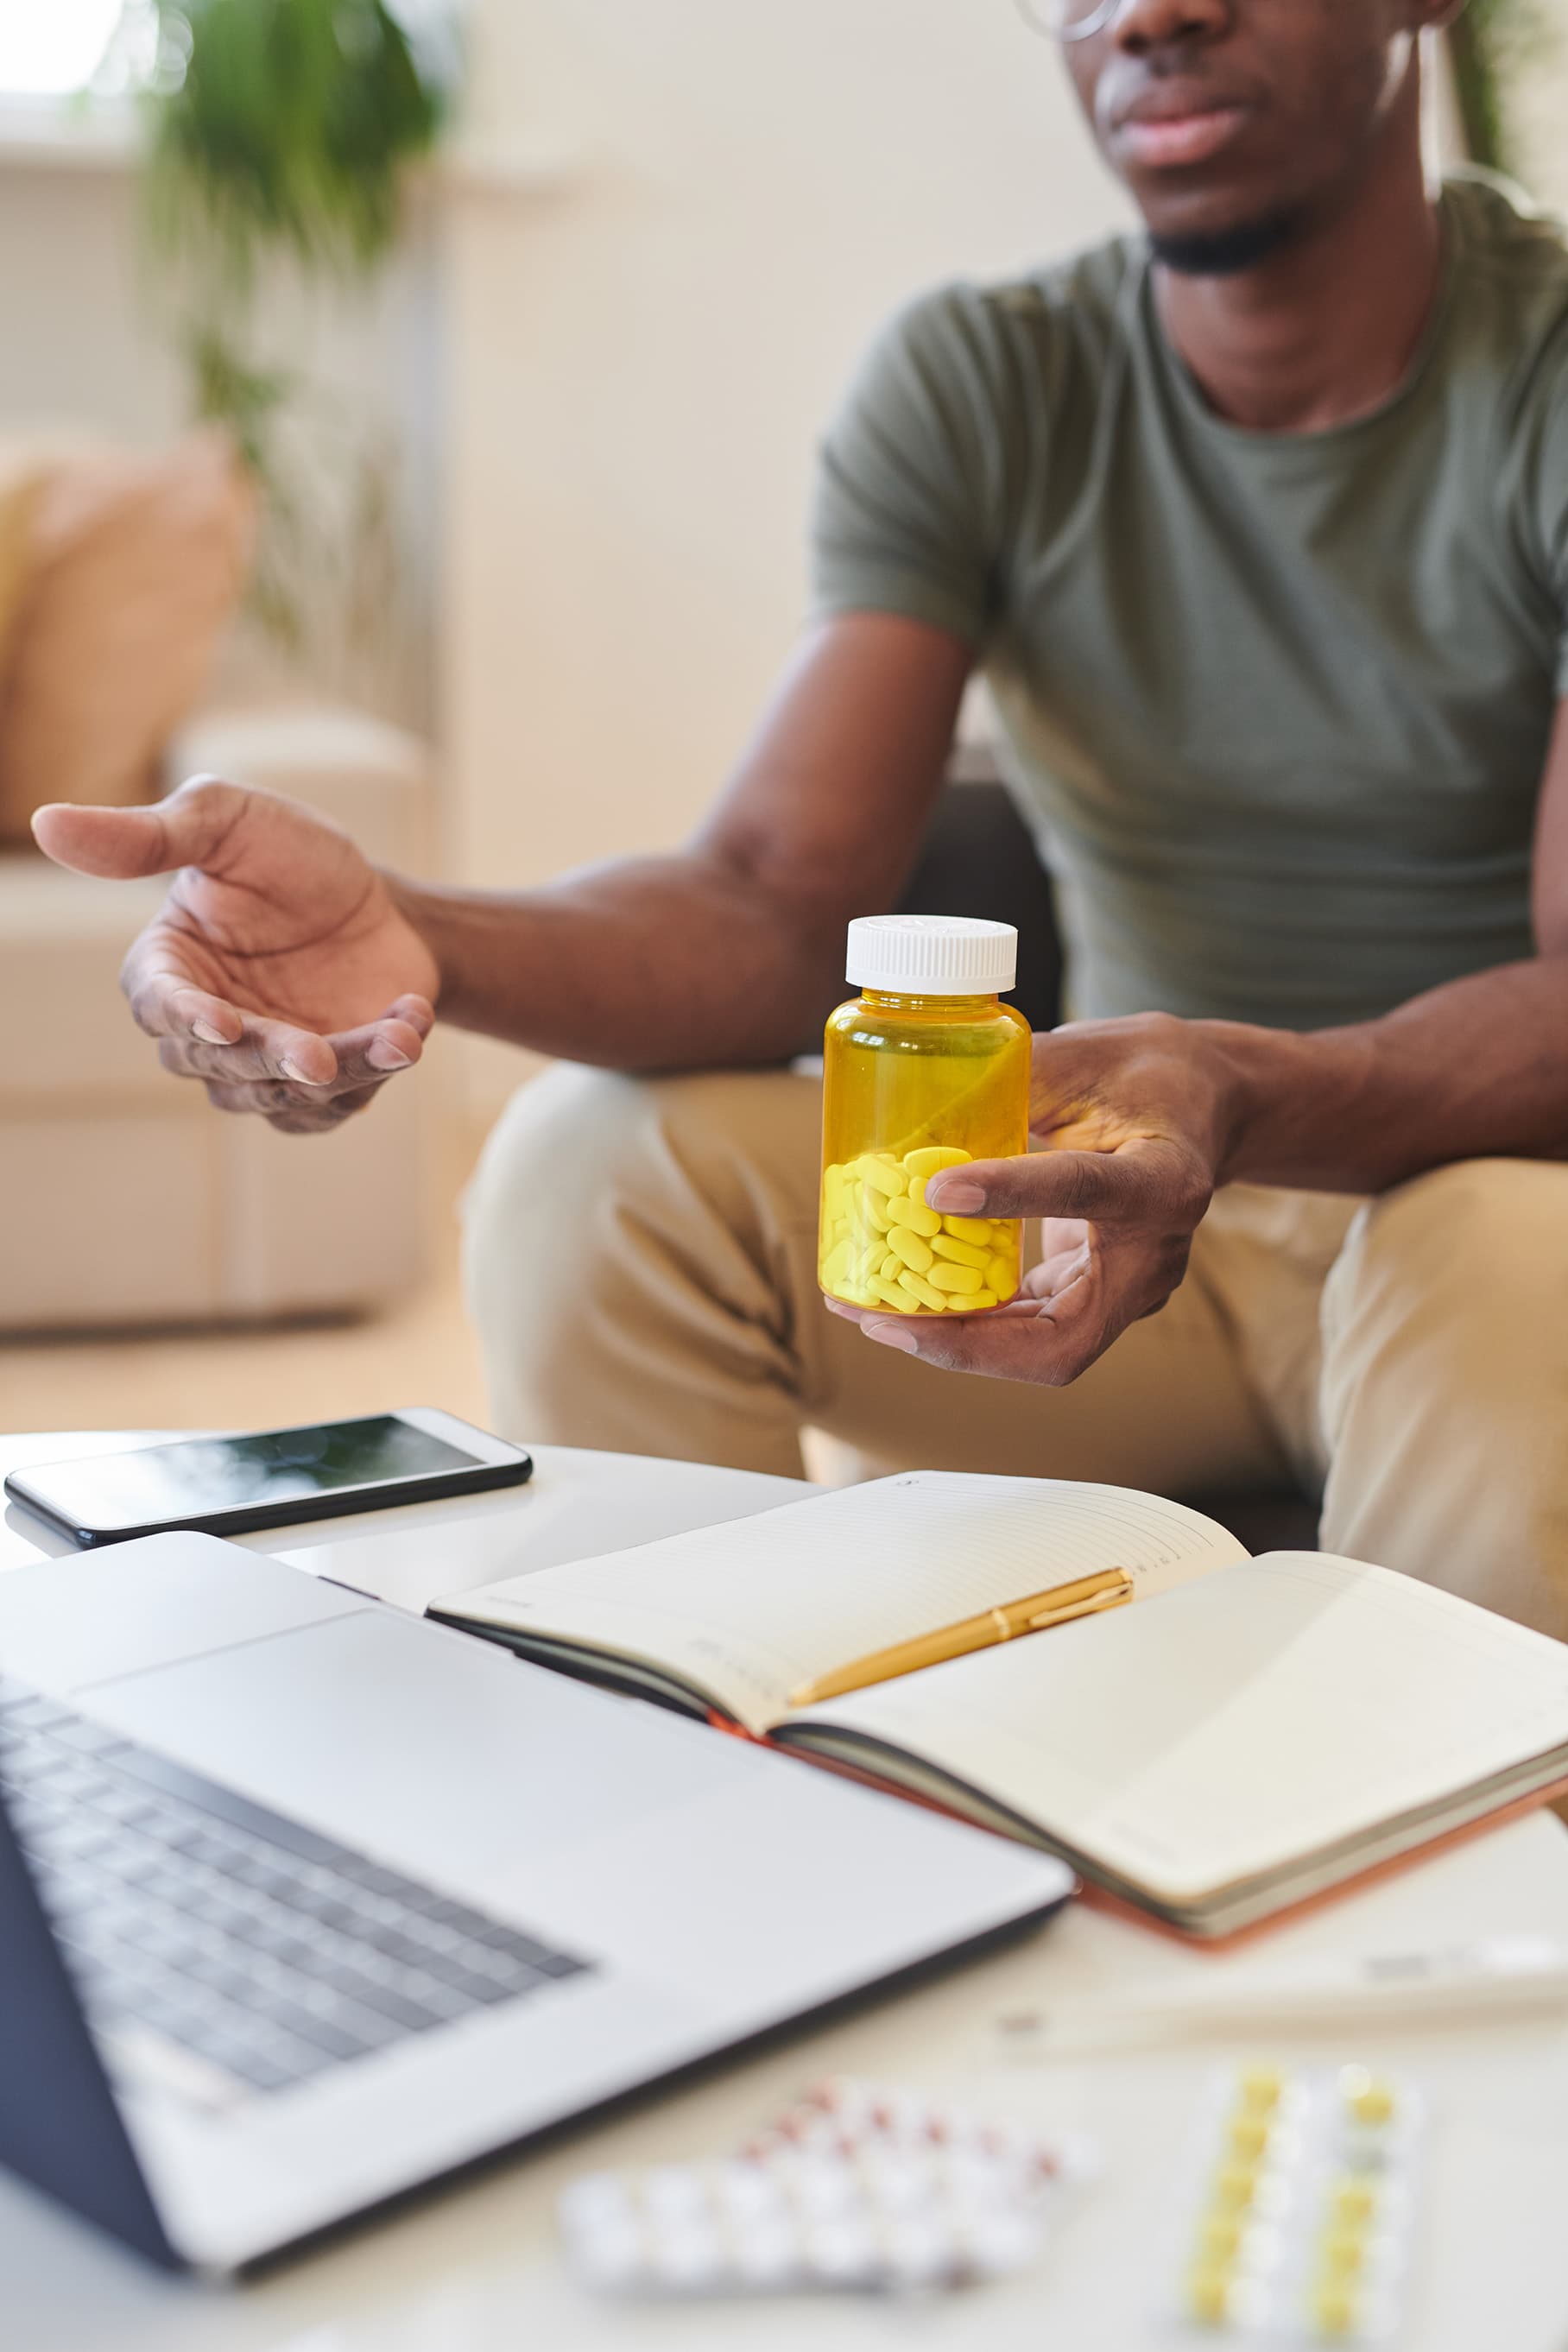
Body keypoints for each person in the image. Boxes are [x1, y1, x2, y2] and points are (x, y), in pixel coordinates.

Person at [34, 0, 1568, 1640]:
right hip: (1116, 1229)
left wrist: (1242, 1091)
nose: (1150, 15)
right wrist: (420, 939)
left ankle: (1461, 1877)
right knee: (588, 1170)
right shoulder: (995, 381)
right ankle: (726, 1798)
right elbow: (770, 902)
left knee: (1486, 1246)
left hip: (1497, 1223)